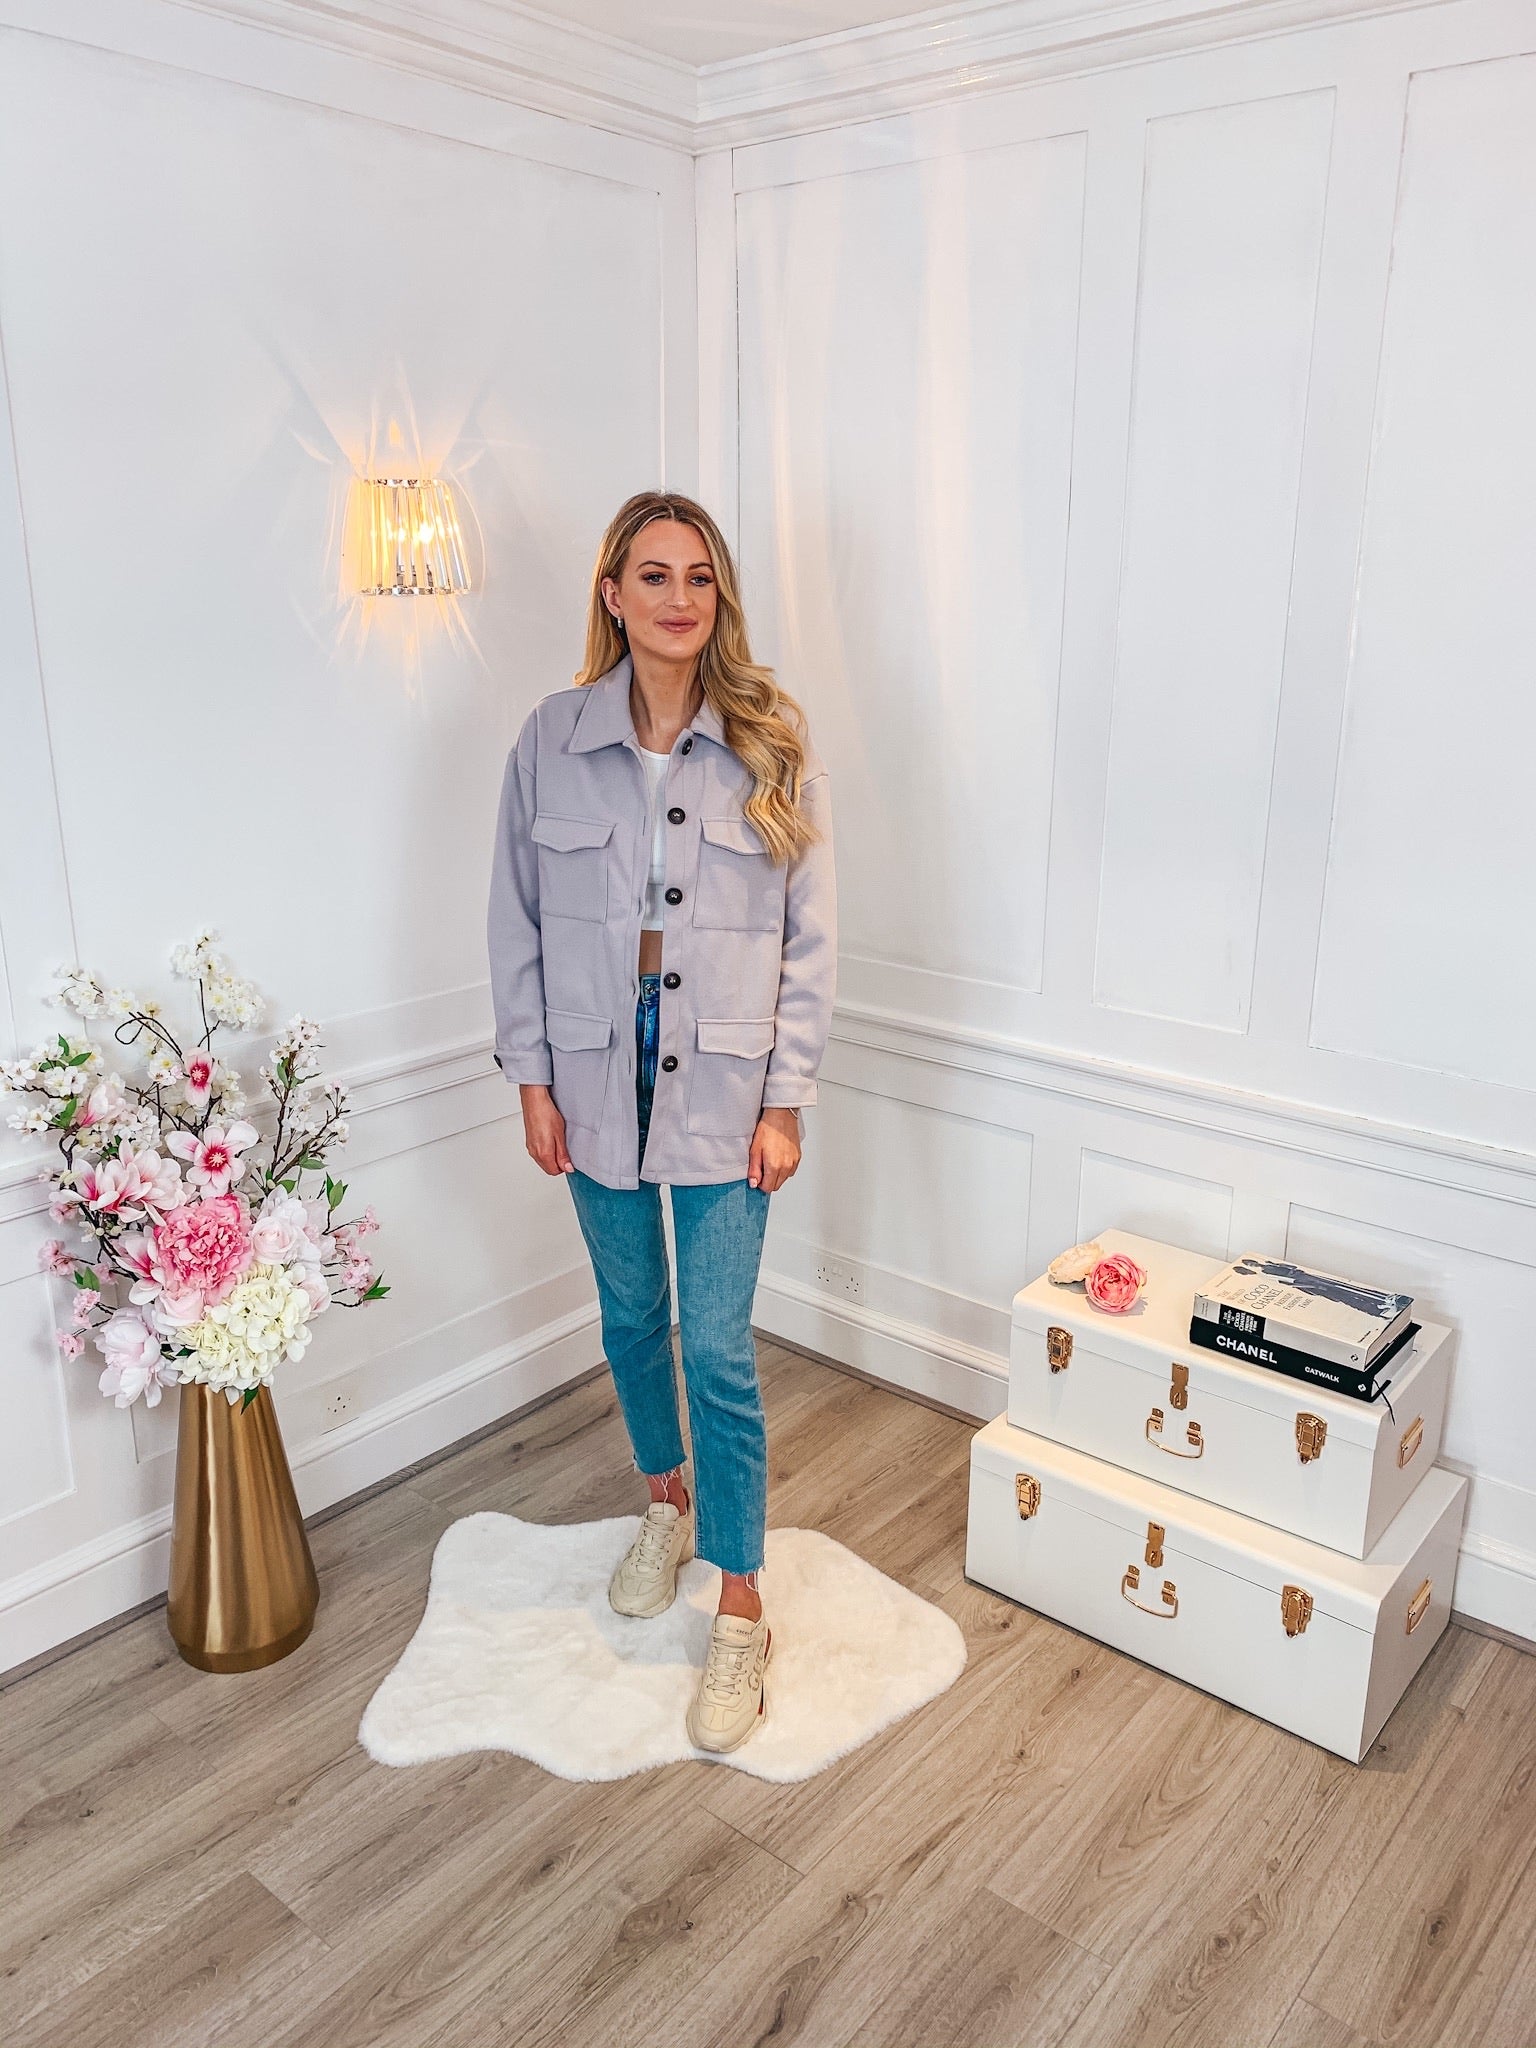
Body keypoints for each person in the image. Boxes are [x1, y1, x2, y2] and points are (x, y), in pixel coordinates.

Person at [487, 489, 837, 1754]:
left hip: (727, 1083)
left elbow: (810, 938)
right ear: (614, 593)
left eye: (699, 576)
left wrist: (786, 1098)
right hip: (594, 1072)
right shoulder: (550, 737)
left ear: (717, 598)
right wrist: (533, 1078)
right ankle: (665, 1499)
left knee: (720, 1345)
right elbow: (516, 919)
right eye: (654, 574)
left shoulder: (770, 739)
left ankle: (740, 1598)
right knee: (632, 1315)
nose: (678, 597)